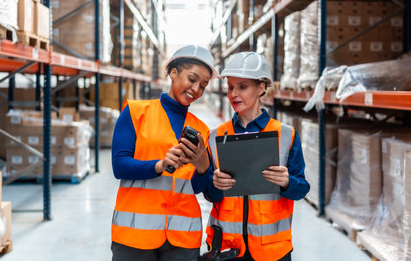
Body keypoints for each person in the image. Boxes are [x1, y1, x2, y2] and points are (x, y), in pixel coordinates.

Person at [110, 45, 218, 261]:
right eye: (192, 78)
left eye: (203, 85)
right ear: (173, 73)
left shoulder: (202, 130)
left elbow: (196, 188)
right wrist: (158, 166)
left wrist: (203, 166)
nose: (196, 89)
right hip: (135, 236)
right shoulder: (135, 112)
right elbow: (119, 166)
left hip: (182, 237)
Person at [204, 52, 310, 261]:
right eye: (230, 87)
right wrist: (214, 184)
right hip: (227, 248)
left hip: (271, 251)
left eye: (242, 87)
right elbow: (210, 195)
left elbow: (301, 189)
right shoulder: (216, 136)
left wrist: (287, 182)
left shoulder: (285, 135)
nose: (233, 94)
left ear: (261, 87)